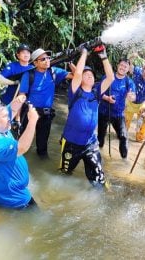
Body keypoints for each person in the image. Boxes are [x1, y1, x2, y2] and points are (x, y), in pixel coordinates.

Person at [60, 45, 114, 188]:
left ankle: (102, 195)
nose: (89, 76)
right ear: (80, 78)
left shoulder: (97, 94)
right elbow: (77, 74)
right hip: (71, 143)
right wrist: (84, 53)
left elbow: (110, 77)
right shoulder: (75, 92)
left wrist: (103, 55)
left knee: (99, 179)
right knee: (64, 174)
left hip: (90, 143)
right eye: (86, 74)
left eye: (91, 75)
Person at [0, 98, 39, 209]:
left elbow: (12, 110)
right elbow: (22, 148)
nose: (9, 119)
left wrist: (20, 99)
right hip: (11, 198)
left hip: (0, 189)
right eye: (5, 117)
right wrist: (33, 121)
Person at [18, 48, 75, 157]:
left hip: (46, 114)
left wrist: (70, 62)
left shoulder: (54, 72)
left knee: (42, 147)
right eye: (43, 59)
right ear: (35, 62)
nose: (47, 60)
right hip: (30, 113)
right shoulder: (29, 75)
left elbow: (76, 75)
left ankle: (41, 163)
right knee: (23, 142)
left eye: (48, 58)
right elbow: (22, 95)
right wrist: (17, 117)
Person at [98, 58, 136, 160]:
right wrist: (107, 98)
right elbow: (98, 93)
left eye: (125, 66)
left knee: (123, 136)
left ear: (128, 69)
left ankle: (124, 160)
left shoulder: (129, 82)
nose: (123, 68)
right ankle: (98, 155)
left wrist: (131, 97)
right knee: (100, 138)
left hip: (118, 114)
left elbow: (133, 96)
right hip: (103, 111)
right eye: (121, 65)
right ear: (117, 65)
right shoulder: (108, 77)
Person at [124, 55, 145, 142]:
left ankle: (140, 137)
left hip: (142, 104)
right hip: (131, 102)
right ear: (142, 68)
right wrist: (132, 57)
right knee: (123, 129)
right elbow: (129, 66)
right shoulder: (138, 71)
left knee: (144, 119)